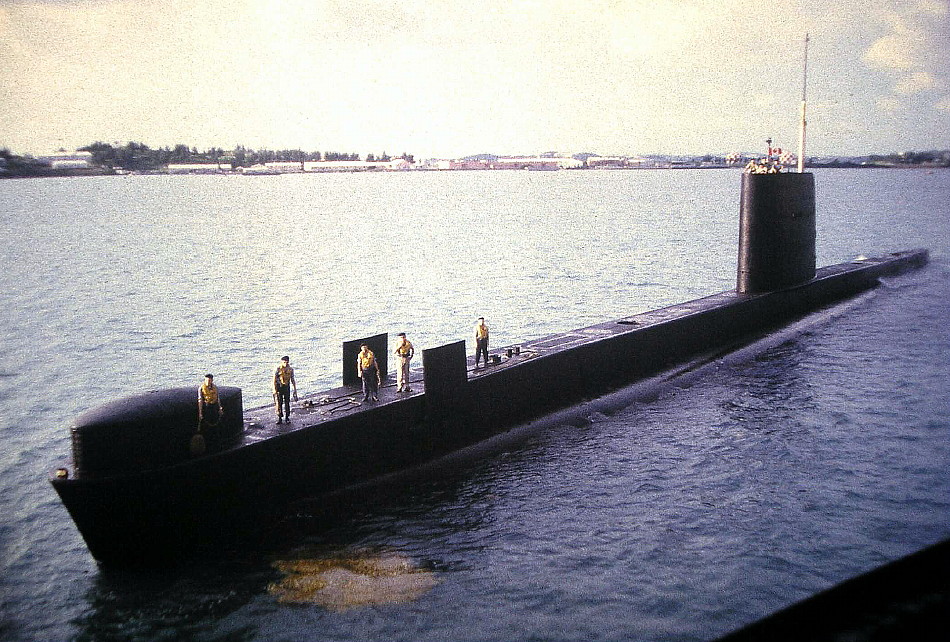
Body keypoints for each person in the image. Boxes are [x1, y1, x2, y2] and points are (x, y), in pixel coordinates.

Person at [273, 355, 298, 424]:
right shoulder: (278, 369)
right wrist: (274, 389)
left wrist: (295, 389)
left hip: (286, 386)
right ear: (281, 362)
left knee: (287, 402)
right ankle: (280, 418)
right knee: (279, 403)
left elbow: (292, 379)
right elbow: (274, 380)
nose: (285, 364)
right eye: (284, 362)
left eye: (287, 362)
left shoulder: (290, 369)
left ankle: (287, 417)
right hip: (279, 387)